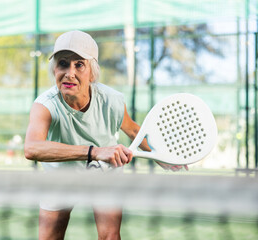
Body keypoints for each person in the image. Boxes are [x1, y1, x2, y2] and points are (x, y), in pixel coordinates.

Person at [24, 30, 187, 240]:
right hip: (61, 175)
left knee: (110, 236)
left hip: (105, 172)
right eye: (63, 63)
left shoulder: (112, 100)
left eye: (79, 65)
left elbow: (134, 131)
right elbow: (31, 148)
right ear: (54, 69)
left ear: (92, 72)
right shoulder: (44, 105)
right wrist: (95, 152)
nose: (70, 73)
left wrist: (162, 155)